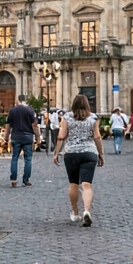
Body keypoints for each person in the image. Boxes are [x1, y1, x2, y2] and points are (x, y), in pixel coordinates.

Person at [53, 94, 104, 227]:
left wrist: (56, 153)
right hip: (89, 152)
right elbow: (97, 137)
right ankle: (87, 211)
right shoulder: (93, 118)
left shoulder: (66, 118)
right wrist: (100, 154)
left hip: (71, 153)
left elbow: (61, 136)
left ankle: (75, 213)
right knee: (87, 185)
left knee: (73, 184)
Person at [5, 96, 37, 187]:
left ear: (17, 100)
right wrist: (38, 137)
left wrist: (6, 137)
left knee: (14, 158)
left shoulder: (13, 110)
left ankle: (13, 179)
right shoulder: (30, 110)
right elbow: (34, 125)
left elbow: (8, 125)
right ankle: (26, 179)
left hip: (16, 136)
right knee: (28, 159)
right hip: (27, 136)